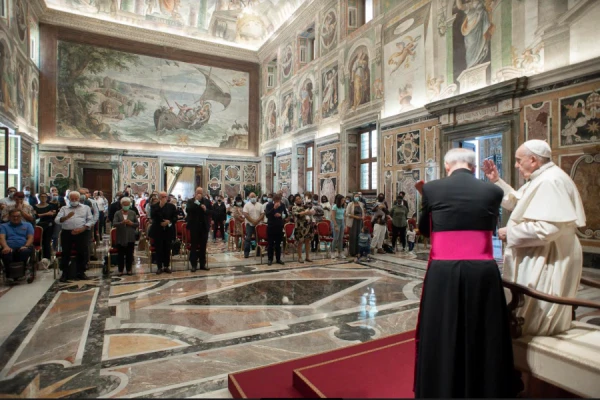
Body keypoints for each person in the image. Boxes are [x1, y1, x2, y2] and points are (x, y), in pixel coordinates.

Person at [414, 148, 518, 398]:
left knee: (442, 329)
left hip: (443, 271)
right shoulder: (494, 191)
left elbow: (425, 230)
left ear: (447, 166)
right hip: (482, 270)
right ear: (473, 167)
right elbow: (490, 223)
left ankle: (442, 386)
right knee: (484, 332)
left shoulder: (431, 189)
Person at [482, 139, 586, 336]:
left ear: (533, 160)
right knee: (532, 305)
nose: (516, 165)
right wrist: (496, 181)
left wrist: (510, 233)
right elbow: (517, 202)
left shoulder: (550, 181)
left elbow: (547, 229)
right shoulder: (542, 178)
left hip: (550, 256)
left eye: (518, 160)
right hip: (543, 252)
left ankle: (536, 343)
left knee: (541, 309)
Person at [55, 191, 94, 282]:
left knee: (82, 251)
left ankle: (81, 272)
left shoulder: (85, 208)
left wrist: (83, 229)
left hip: (81, 232)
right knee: (65, 252)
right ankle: (65, 273)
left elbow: (90, 220)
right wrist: (66, 217)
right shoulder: (64, 208)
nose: (74, 200)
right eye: (72, 199)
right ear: (69, 199)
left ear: (79, 199)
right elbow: (57, 220)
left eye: (76, 199)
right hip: (67, 233)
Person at [149, 191, 177, 274]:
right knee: (159, 249)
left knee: (167, 249)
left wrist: (169, 221)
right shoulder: (154, 206)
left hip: (168, 230)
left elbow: (175, 217)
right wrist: (160, 206)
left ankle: (166, 266)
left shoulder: (171, 206)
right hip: (158, 230)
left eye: (165, 196)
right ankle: (159, 267)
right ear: (159, 197)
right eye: (162, 196)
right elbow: (153, 216)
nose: (164, 198)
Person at [0, 210, 33, 279]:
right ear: (9, 217)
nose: (15, 218)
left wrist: (26, 246)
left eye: (18, 216)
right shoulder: (3, 226)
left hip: (24, 246)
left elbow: (30, 238)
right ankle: (9, 275)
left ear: (21, 217)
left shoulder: (28, 225)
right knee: (6, 253)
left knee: (25, 252)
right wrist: (6, 247)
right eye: (13, 216)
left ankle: (22, 273)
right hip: (9, 247)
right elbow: (1, 238)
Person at [186, 187, 212, 272]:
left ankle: (202, 264)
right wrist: (196, 202)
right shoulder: (191, 201)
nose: (199, 194)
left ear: (203, 193)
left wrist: (206, 209)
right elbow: (188, 210)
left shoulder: (207, 201)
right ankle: (194, 265)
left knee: (203, 246)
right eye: (198, 192)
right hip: (194, 227)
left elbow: (211, 212)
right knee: (194, 246)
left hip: (204, 227)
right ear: (195, 193)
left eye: (201, 193)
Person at [112, 197, 139, 276]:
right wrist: (122, 222)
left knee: (129, 254)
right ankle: (120, 270)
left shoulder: (132, 213)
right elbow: (114, 223)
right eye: (125, 205)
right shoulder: (117, 213)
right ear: (122, 205)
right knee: (120, 254)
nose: (126, 206)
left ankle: (129, 269)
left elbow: (137, 224)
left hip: (130, 236)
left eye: (128, 205)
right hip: (120, 236)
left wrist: (131, 223)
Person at [264, 193, 287, 266]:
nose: (277, 202)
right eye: (276, 201)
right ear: (273, 200)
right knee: (270, 244)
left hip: (279, 226)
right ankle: (270, 259)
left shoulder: (282, 205)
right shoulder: (269, 205)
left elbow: (286, 214)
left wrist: (281, 215)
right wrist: (274, 208)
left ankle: (278, 259)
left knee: (278, 244)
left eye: (278, 200)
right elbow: (267, 215)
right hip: (271, 226)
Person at [34, 193, 57, 261]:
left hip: (48, 225)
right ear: (39, 198)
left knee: (47, 241)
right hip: (38, 225)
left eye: (45, 197)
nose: (43, 198)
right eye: (42, 197)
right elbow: (35, 216)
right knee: (39, 241)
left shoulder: (51, 206)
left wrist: (40, 214)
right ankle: (38, 258)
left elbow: (52, 214)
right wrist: (46, 213)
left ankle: (47, 259)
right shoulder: (35, 206)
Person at [292, 194, 315, 263]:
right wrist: (305, 212)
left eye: (299, 198)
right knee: (300, 241)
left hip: (308, 226)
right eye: (297, 199)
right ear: (295, 201)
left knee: (308, 241)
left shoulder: (305, 206)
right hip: (300, 227)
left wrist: (309, 212)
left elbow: (311, 211)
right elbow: (297, 214)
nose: (299, 200)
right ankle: (300, 257)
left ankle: (307, 257)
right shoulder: (294, 207)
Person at [242, 192, 264, 259]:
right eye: (251, 197)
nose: (253, 198)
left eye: (254, 196)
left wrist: (257, 221)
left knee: (258, 238)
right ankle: (246, 253)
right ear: (249, 197)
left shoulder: (260, 205)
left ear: (256, 197)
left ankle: (258, 252)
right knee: (248, 238)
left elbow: (262, 214)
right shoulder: (247, 205)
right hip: (249, 224)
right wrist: (253, 221)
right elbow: (245, 214)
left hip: (258, 224)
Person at [345, 193, 365, 257]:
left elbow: (363, 212)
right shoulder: (350, 204)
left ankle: (359, 251)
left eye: (358, 196)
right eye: (356, 196)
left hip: (360, 221)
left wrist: (363, 217)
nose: (357, 197)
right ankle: (353, 252)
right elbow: (347, 214)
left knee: (359, 236)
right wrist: (355, 216)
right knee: (353, 236)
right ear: (353, 197)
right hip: (353, 221)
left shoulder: (361, 204)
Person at [331, 194, 346, 259]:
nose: (343, 201)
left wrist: (344, 224)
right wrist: (335, 225)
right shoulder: (335, 207)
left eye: (344, 200)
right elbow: (333, 217)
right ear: (339, 200)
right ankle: (332, 252)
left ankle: (340, 252)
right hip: (336, 222)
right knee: (335, 238)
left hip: (342, 222)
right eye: (342, 200)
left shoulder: (343, 206)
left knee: (341, 238)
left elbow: (344, 216)